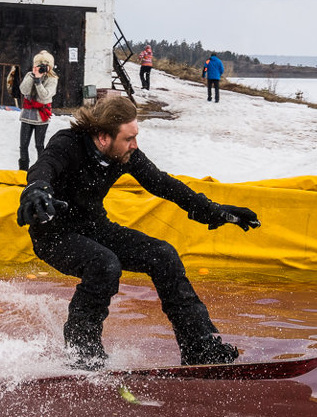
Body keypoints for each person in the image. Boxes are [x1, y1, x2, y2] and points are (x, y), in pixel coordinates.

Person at [16, 96, 260, 369]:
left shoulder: (125, 155)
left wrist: (213, 211)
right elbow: (44, 166)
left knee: (163, 255)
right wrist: (37, 188)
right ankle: (82, 351)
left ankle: (198, 346)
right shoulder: (68, 142)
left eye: (136, 137)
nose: (134, 144)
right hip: (55, 236)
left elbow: (163, 184)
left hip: (95, 227)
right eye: (128, 138)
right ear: (103, 137)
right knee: (104, 264)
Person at [18, 50, 58, 171]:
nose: (41, 67)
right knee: (23, 146)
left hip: (41, 117)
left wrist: (38, 82)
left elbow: (44, 96)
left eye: (44, 64)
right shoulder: (30, 75)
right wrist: (33, 77)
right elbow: (23, 90)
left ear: (49, 66)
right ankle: (23, 170)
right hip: (27, 115)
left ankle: (41, 170)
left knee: (39, 145)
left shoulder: (52, 79)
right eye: (39, 64)